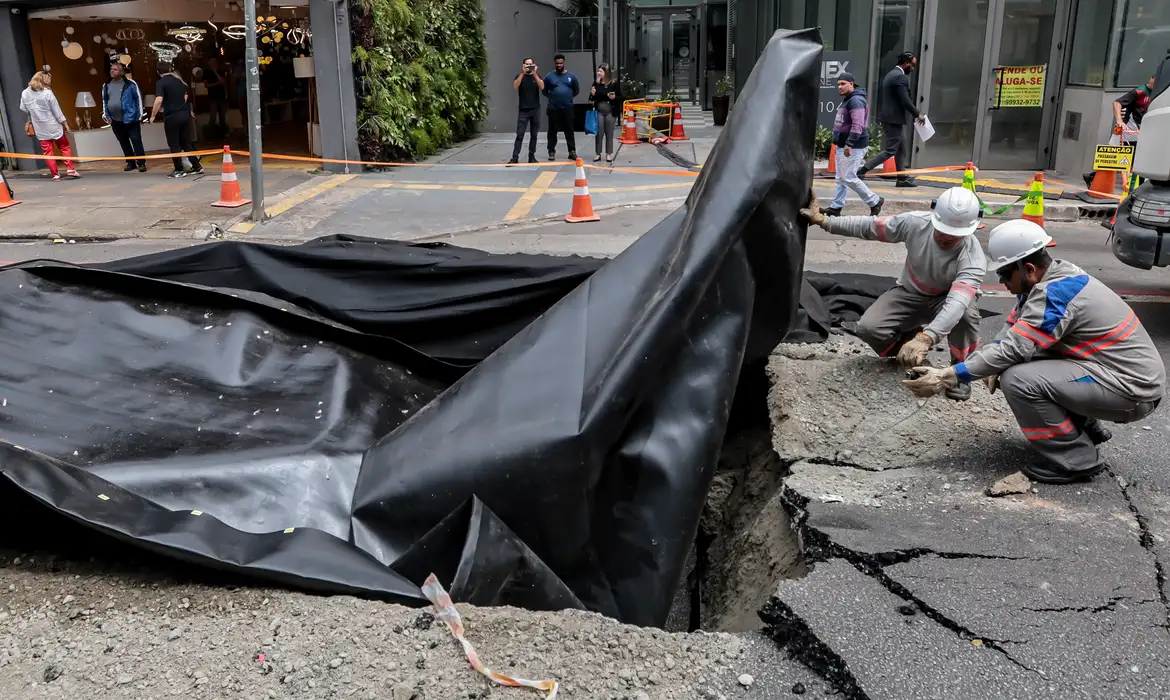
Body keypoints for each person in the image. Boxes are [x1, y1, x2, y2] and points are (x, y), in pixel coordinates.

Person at [904, 220, 1165, 484]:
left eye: (1005, 274)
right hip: (1113, 375)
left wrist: (948, 376)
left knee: (1019, 379)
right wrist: (982, 364)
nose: (1002, 281)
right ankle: (1085, 429)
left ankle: (1077, 460)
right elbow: (1010, 334)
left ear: (1027, 268)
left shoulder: (1056, 294)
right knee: (1019, 362)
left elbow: (1013, 349)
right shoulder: (1047, 281)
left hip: (1133, 390)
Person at [800, 186, 986, 400]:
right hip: (910, 292)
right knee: (868, 328)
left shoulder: (973, 259)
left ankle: (960, 371)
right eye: (942, 231)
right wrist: (824, 221)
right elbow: (870, 227)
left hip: (946, 299)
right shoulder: (916, 223)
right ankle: (905, 352)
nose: (946, 238)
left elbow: (956, 303)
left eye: (954, 236)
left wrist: (926, 338)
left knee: (966, 315)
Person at [860, 52, 926, 188]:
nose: (913, 68)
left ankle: (902, 178)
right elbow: (905, 100)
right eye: (912, 65)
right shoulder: (900, 77)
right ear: (906, 63)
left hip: (891, 118)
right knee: (890, 150)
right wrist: (917, 114)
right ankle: (862, 171)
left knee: (901, 149)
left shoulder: (891, 74)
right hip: (894, 119)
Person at [824, 71, 882, 217]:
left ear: (852, 84)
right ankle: (836, 207)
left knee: (848, 177)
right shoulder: (848, 99)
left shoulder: (855, 101)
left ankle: (874, 201)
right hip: (843, 145)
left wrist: (849, 144)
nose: (840, 87)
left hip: (853, 146)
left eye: (843, 84)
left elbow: (857, 125)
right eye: (838, 84)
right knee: (841, 178)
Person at [19, 71, 80, 182]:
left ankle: (55, 175)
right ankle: (70, 169)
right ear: (45, 80)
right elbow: (57, 111)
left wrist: (34, 111)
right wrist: (65, 124)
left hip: (40, 127)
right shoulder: (47, 93)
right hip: (54, 125)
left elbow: (23, 108)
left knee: (48, 152)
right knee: (64, 147)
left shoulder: (25, 93)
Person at [150, 62, 203, 178]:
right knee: (186, 142)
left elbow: (159, 100)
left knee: (174, 144)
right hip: (184, 114)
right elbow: (185, 98)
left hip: (172, 116)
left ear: (158, 72)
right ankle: (197, 166)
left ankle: (179, 169)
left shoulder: (161, 83)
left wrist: (153, 115)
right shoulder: (180, 81)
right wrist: (188, 111)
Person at [101, 62, 147, 172]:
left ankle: (141, 163)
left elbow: (138, 99)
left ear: (121, 72)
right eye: (111, 69)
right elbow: (105, 101)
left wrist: (139, 115)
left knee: (136, 141)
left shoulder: (130, 84)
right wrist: (107, 115)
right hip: (115, 120)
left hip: (131, 119)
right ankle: (130, 163)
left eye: (115, 69)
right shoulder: (106, 85)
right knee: (123, 142)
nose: (112, 71)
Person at [542, 54, 579, 161]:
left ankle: (572, 151)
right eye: (557, 63)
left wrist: (567, 97)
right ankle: (551, 151)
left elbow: (576, 91)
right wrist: (553, 97)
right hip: (553, 108)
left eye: (561, 63)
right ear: (554, 63)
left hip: (568, 107)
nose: (559, 65)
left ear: (564, 63)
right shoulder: (549, 77)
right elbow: (544, 90)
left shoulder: (571, 76)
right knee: (552, 130)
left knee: (569, 130)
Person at [508, 57, 544, 165]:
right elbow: (515, 86)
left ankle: (531, 156)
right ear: (523, 65)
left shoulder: (536, 76)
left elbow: (542, 86)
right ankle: (515, 157)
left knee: (534, 135)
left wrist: (535, 74)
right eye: (527, 64)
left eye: (531, 64)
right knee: (520, 134)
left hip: (535, 109)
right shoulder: (519, 76)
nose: (529, 66)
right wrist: (523, 73)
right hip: (523, 110)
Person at [590, 64, 621, 164]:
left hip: (610, 111)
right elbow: (591, 98)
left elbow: (621, 97)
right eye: (598, 71)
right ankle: (598, 153)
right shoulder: (596, 83)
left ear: (606, 73)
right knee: (599, 133)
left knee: (609, 133)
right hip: (599, 111)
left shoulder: (614, 83)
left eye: (601, 71)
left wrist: (614, 97)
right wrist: (592, 94)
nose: (598, 73)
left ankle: (608, 153)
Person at [204, 57, 229, 134]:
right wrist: (217, 83)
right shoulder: (206, 72)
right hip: (212, 97)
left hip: (221, 96)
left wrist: (215, 72)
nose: (213, 64)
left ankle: (223, 133)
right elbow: (206, 85)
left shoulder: (221, 72)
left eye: (214, 62)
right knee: (213, 116)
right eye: (211, 62)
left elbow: (223, 82)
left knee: (222, 116)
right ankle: (211, 133)